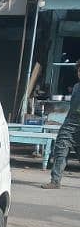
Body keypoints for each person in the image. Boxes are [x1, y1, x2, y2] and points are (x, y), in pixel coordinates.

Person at [42, 59, 80, 189]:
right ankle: (55, 181)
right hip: (70, 124)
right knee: (60, 151)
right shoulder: (76, 87)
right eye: (79, 70)